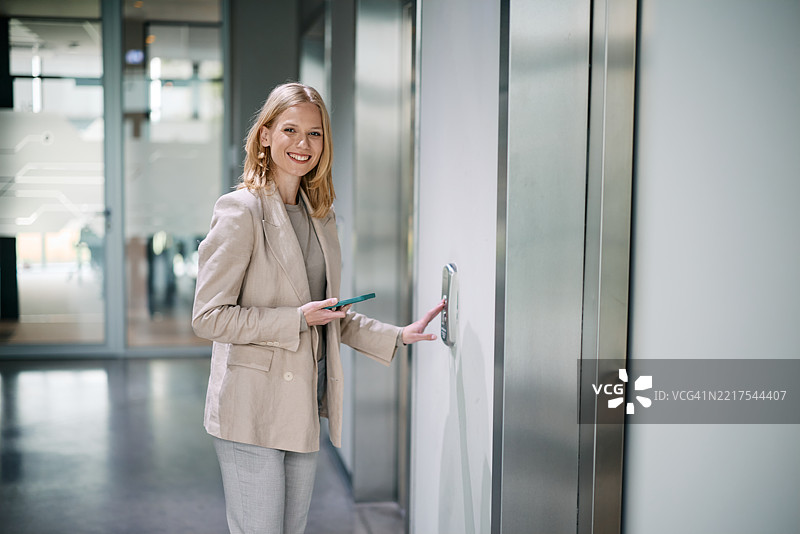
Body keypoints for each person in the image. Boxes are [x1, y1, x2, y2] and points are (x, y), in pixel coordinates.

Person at [191, 82, 445, 534]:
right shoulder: (240, 210)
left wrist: (396, 334)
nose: (303, 144)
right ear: (265, 135)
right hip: (249, 408)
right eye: (290, 130)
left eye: (315, 134)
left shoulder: (319, 215)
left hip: (301, 405)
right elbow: (208, 317)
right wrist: (294, 319)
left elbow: (324, 312)